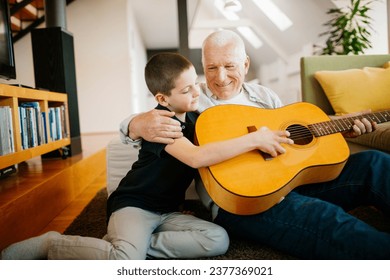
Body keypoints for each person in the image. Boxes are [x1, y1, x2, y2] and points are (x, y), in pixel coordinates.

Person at [120, 30, 390, 259]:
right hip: (245, 202)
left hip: (296, 182)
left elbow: (293, 139)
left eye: (230, 66)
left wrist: (340, 130)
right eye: (211, 67)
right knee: (327, 220)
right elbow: (153, 117)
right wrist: (136, 124)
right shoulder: (189, 100)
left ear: (246, 64)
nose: (221, 77)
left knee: (375, 163)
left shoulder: (264, 96)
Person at [1, 52, 294, 260]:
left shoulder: (195, 118)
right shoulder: (161, 122)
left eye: (196, 82)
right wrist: (253, 139)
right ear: (162, 98)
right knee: (124, 265)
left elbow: (220, 138)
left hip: (167, 212)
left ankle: (128, 247)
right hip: (135, 206)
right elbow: (197, 158)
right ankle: (53, 245)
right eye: (187, 89)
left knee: (218, 239)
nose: (197, 92)